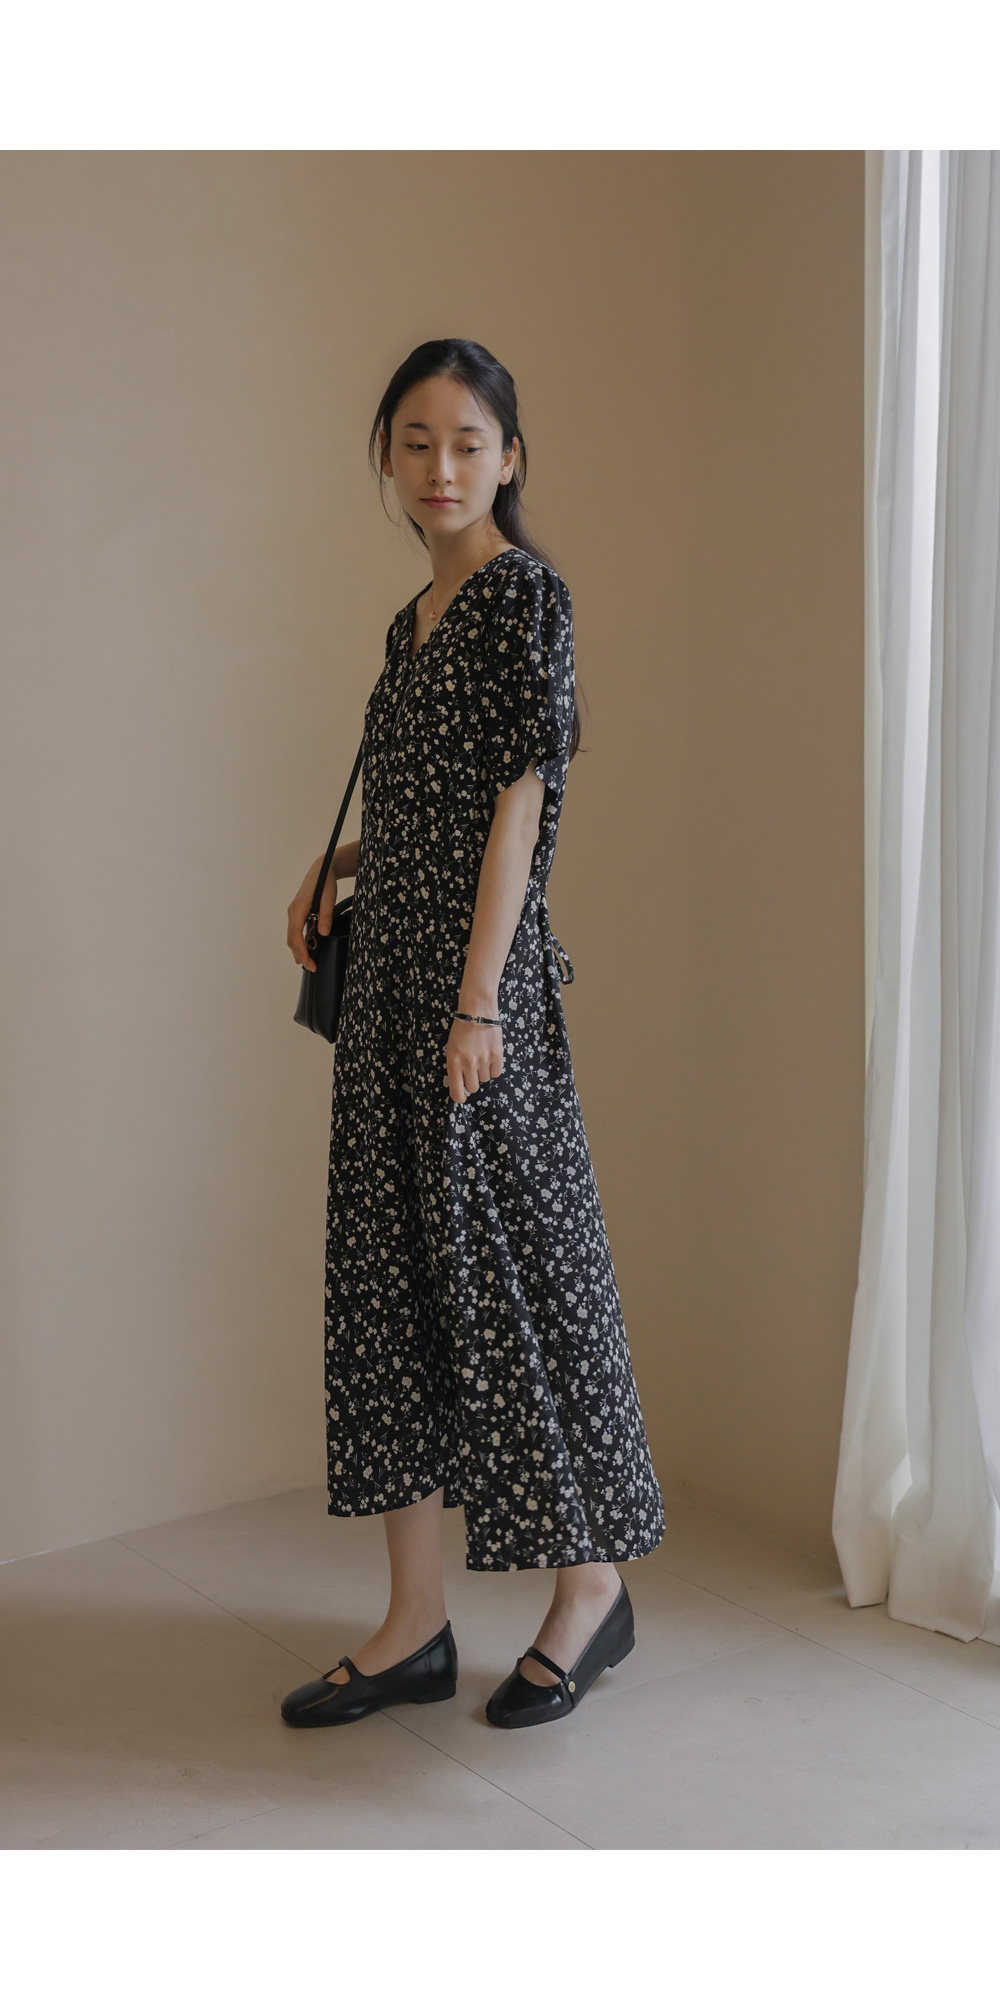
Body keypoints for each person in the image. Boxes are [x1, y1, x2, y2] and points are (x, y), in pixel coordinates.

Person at [282, 337, 664, 1731]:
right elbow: (424, 802)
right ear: (387, 459)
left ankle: (591, 1590)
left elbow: (518, 805)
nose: (440, 467)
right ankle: (414, 1624)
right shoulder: (414, 622)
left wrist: (482, 997)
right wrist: (337, 868)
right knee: (391, 1295)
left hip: (473, 1004)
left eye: (467, 442)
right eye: (416, 442)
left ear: (509, 458)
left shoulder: (523, 599)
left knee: (521, 1285)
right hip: (388, 990)